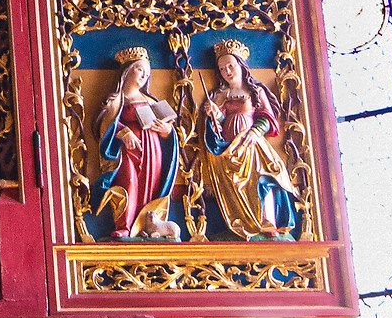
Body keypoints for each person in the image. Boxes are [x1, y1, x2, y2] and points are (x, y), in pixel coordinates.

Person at [200, 38, 301, 241]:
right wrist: (213, 114)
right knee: (234, 186)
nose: (227, 71)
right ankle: (242, 224)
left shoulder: (255, 91)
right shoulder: (220, 94)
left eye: (230, 66)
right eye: (222, 69)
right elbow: (219, 123)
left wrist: (255, 132)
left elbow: (267, 115)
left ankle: (268, 221)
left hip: (251, 144)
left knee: (264, 178)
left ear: (240, 65)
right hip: (229, 148)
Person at [89, 46, 180, 241]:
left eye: (147, 73)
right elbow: (106, 123)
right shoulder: (118, 99)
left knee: (152, 186)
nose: (144, 75)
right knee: (129, 182)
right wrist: (124, 131)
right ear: (127, 71)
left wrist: (167, 131)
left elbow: (169, 129)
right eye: (140, 69)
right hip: (128, 152)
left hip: (153, 151)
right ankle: (125, 226)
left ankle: (148, 225)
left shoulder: (150, 99)